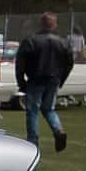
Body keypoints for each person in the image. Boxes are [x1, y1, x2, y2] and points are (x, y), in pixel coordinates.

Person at [16, 11, 71, 151]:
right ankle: (58, 130)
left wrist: (21, 82)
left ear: (41, 23)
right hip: (54, 79)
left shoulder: (31, 40)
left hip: (36, 78)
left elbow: (20, 63)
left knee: (32, 110)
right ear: (55, 24)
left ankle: (33, 141)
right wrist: (61, 79)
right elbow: (69, 63)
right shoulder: (63, 42)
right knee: (49, 109)